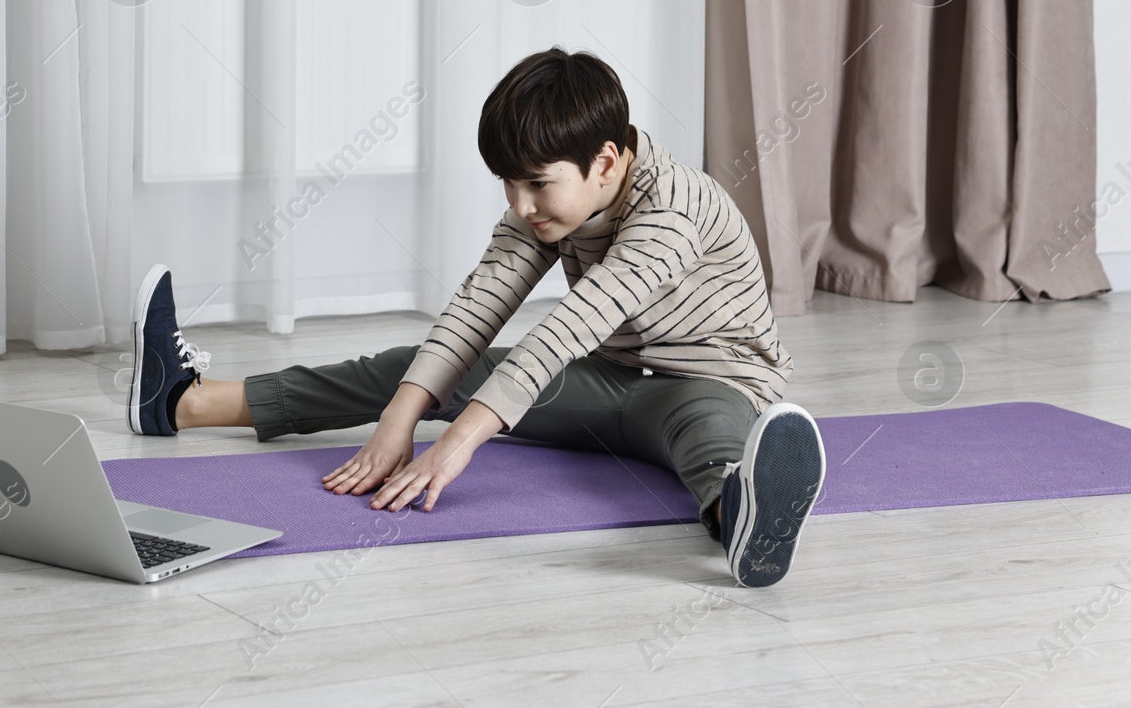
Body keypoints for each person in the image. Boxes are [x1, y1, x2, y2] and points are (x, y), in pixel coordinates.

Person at [126, 46, 826, 587]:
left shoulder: (671, 212)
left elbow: (567, 327)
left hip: (712, 383)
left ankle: (741, 516)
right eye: (509, 184)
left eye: (536, 184)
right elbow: (477, 307)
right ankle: (183, 402)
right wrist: (398, 422)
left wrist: (454, 445)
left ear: (606, 162)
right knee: (429, 367)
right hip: (613, 382)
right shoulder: (551, 201)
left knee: (712, 435)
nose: (521, 205)